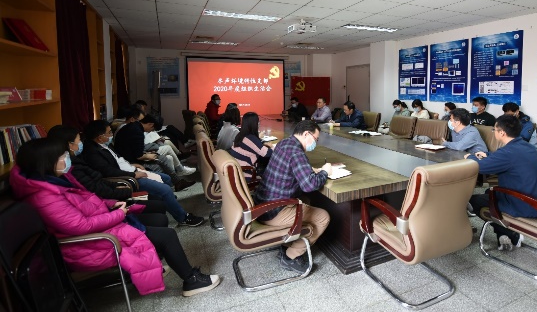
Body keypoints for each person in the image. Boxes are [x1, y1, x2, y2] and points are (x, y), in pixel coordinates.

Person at [10, 138, 220, 297]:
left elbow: (90, 201)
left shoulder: (57, 181)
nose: (67, 158)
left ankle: (152, 264)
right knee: (167, 235)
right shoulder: (45, 197)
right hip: (90, 244)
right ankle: (191, 280)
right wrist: (119, 213)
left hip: (103, 225)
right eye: (62, 156)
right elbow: (81, 226)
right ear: (46, 162)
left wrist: (111, 205)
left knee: (158, 219)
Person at [82, 120, 203, 226]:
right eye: (109, 133)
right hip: (127, 178)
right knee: (165, 190)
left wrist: (133, 165)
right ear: (100, 137)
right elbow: (109, 171)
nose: (111, 135)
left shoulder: (103, 145)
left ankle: (170, 202)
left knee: (166, 178)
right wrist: (134, 174)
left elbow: (118, 160)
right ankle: (183, 218)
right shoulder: (93, 153)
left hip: (130, 170)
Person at [254, 120, 331, 273]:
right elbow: (309, 185)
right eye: (316, 139)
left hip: (262, 203)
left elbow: (291, 168)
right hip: (274, 210)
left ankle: (287, 244)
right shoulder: (297, 152)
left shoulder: (284, 143)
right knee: (323, 217)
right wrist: (325, 172)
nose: (315, 143)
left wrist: (309, 170)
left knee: (306, 200)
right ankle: (291, 256)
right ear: (306, 134)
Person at [467, 115, 537, 251]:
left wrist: (470, 157)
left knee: (473, 200)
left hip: (523, 205)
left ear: (502, 133)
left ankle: (508, 233)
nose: (493, 132)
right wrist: (488, 155)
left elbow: (480, 167)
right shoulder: (527, 147)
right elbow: (505, 158)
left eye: (494, 130)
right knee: (489, 193)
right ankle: (504, 233)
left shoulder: (508, 152)